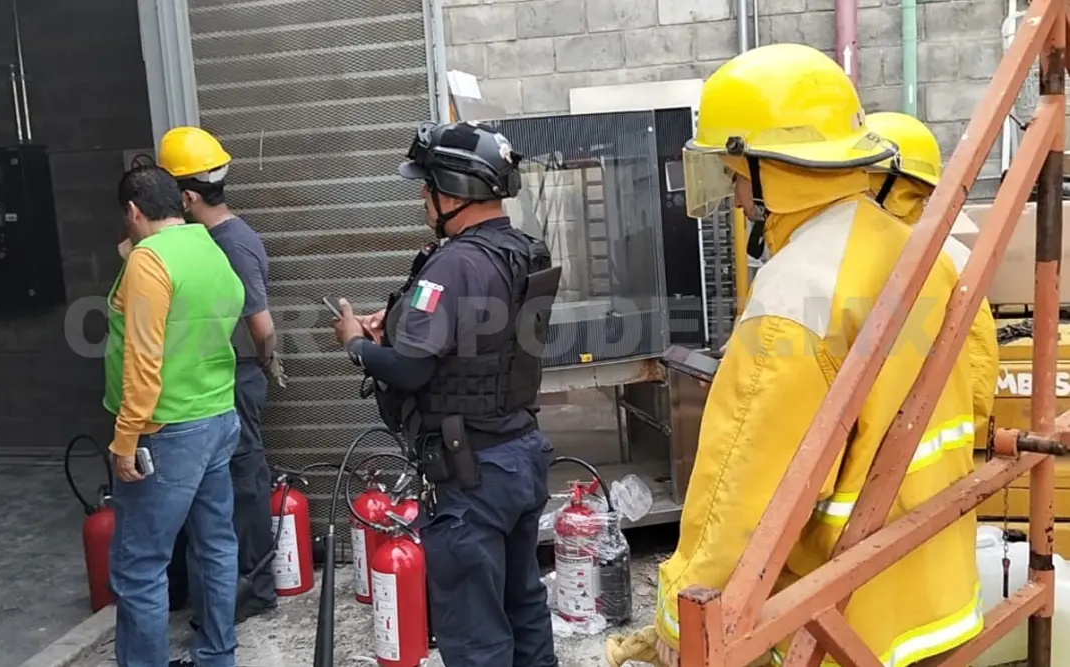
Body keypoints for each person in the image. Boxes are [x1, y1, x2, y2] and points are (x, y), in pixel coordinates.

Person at [606, 43, 983, 667]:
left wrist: (677, 616)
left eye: (735, 176)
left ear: (769, 171)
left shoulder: (797, 290)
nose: (735, 198)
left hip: (844, 617)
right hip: (932, 585)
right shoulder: (916, 250)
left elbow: (742, 490)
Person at [331, 120, 561, 667]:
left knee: (476, 632)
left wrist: (355, 346)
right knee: (523, 606)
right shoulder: (524, 251)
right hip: (519, 456)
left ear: (453, 192)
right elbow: (481, 343)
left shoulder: (453, 262)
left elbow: (412, 371)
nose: (422, 197)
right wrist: (399, 322)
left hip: (471, 474)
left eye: (427, 185)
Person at [107, 165, 244, 667]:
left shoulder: (149, 260)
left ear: (133, 211)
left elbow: (143, 360)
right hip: (217, 415)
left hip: (165, 429)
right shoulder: (206, 245)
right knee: (216, 546)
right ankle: (217, 655)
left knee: (140, 566)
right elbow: (224, 306)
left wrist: (126, 437)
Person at [156, 126, 287, 624]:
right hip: (220, 377)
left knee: (245, 481)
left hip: (236, 377)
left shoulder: (231, 243)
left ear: (187, 197)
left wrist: (265, 362)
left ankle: (255, 588)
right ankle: (212, 586)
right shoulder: (212, 238)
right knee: (225, 483)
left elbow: (261, 325)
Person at [865, 110, 999, 451]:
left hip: (911, 451)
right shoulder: (885, 249)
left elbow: (977, 366)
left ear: (893, 185)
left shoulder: (941, 257)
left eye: (863, 180)